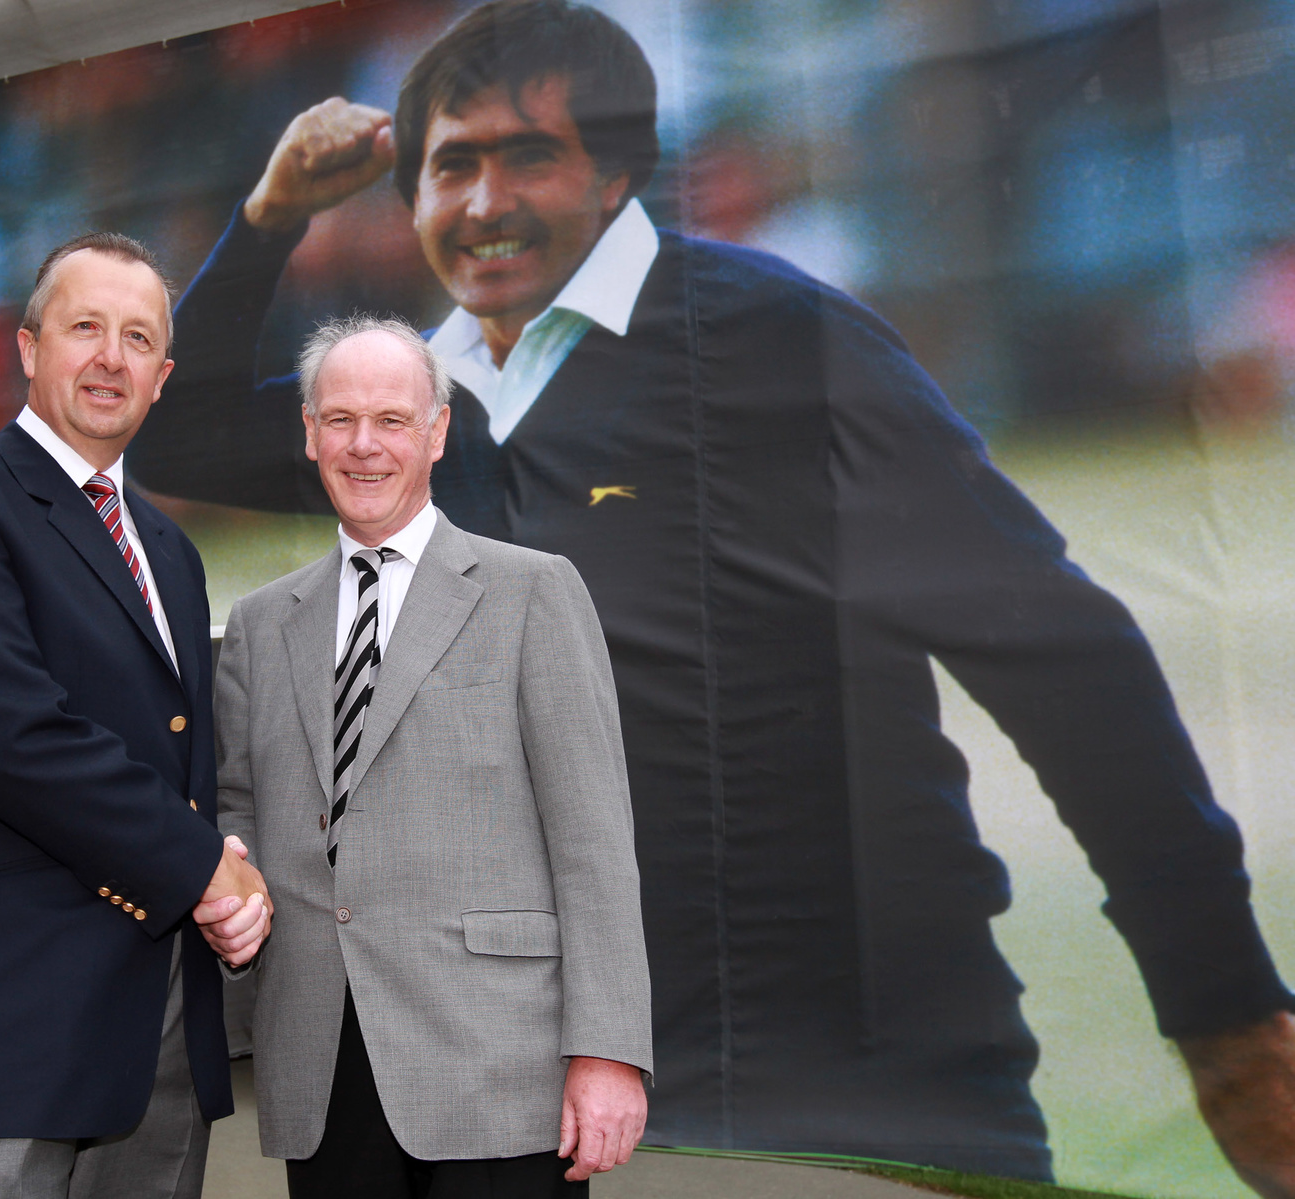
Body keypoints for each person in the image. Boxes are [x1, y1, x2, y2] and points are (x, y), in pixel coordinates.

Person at [126, 0, 1295, 1188]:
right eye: (453, 165)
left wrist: (1226, 1012)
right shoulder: (426, 404)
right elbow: (180, 436)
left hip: (857, 1069)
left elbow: (1062, 655)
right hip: (560, 1079)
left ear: (619, 171)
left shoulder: (772, 341)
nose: (483, 202)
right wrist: (270, 217)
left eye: (528, 155)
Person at [0, 231, 273, 1199]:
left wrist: (230, 860)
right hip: (5, 1027)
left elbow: (182, 758)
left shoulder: (170, 551)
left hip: (160, 1038)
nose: (110, 357)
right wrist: (202, 863)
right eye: (85, 326)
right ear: (28, 347)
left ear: (162, 378)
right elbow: (3, 738)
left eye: (138, 338)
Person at [212, 313, 652, 1195]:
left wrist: (608, 1051)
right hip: (321, 1065)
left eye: (392, 419)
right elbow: (239, 817)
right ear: (309, 432)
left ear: (438, 431)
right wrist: (231, 894)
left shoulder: (533, 592)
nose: (363, 444)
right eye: (340, 419)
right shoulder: (259, 625)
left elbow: (594, 844)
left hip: (500, 1064)